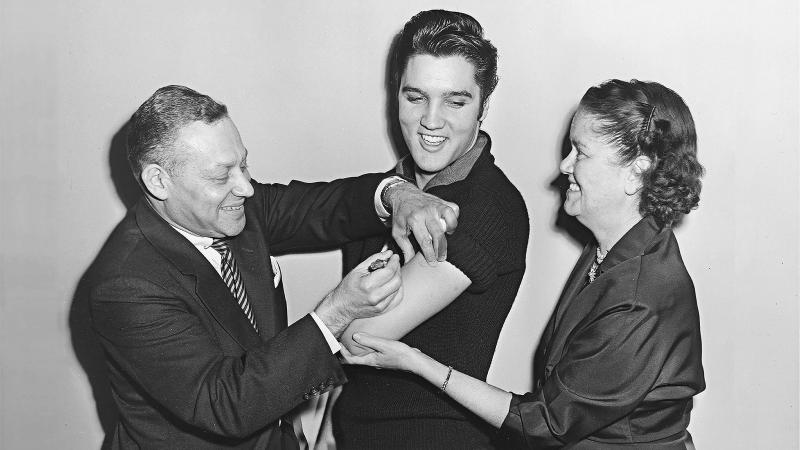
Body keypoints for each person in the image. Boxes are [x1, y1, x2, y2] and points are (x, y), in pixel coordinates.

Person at [86, 85, 460, 449]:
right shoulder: (126, 285)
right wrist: (336, 312)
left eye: (244, 165)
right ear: (158, 181)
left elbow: (323, 207)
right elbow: (227, 405)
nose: (246, 188)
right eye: (222, 175)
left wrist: (399, 194)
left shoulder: (231, 208)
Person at [343, 79, 706, 449]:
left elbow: (546, 424)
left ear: (636, 172)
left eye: (580, 152)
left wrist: (418, 362)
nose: (564, 166)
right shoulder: (614, 249)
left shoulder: (639, 296)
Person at [331, 10, 529, 449]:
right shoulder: (390, 191)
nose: (431, 121)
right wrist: (333, 419)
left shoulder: (488, 208)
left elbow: (356, 338)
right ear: (394, 94)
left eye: (455, 101)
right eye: (415, 97)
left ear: (484, 104)